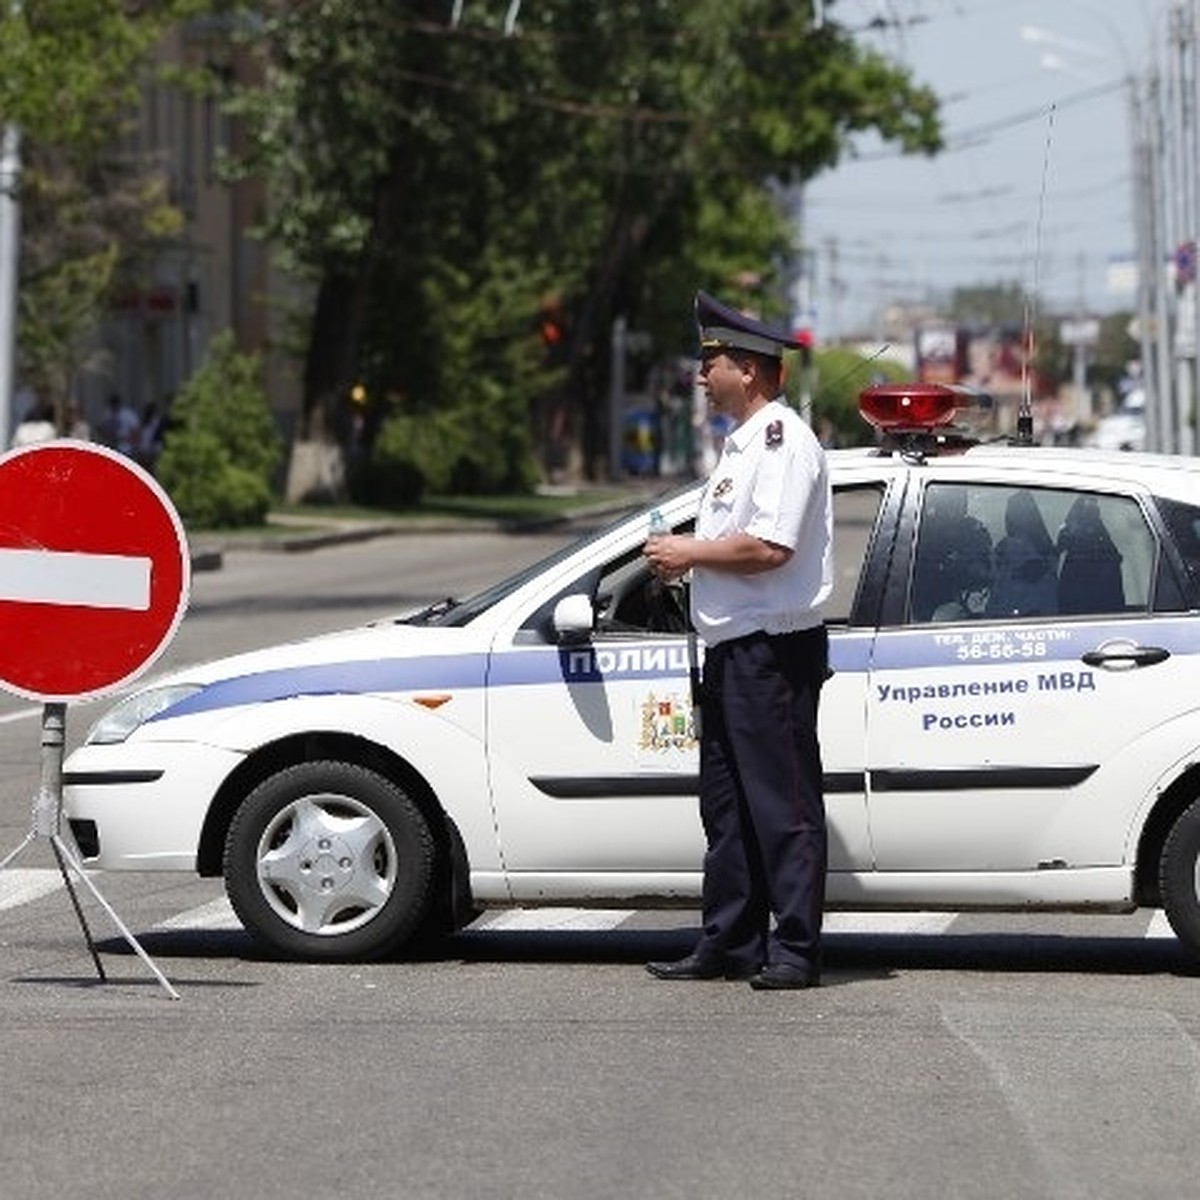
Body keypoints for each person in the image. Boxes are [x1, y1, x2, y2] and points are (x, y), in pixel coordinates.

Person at [643, 291, 833, 990]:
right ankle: (729, 941)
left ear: (749, 370)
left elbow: (770, 548)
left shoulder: (784, 444)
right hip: (731, 652)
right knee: (727, 811)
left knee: (782, 807)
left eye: (712, 361)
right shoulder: (742, 447)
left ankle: (795, 949)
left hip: (770, 654)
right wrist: (684, 565)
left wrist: (689, 553)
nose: (702, 375)